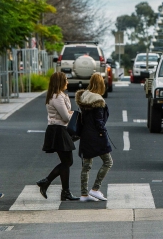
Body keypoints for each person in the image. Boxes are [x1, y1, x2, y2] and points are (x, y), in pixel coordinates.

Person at [36, 72, 79, 201]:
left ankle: (65, 191)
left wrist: (69, 112)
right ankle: (47, 181)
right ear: (60, 81)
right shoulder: (57, 97)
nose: (68, 82)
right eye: (66, 80)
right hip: (58, 130)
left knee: (66, 162)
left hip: (58, 129)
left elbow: (65, 114)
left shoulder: (57, 95)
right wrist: (74, 115)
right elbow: (65, 117)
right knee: (67, 161)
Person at [76, 73, 113, 202]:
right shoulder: (98, 100)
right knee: (108, 162)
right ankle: (95, 189)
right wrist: (103, 132)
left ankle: (84, 194)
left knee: (86, 166)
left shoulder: (84, 96)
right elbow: (99, 121)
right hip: (97, 136)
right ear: (101, 84)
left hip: (85, 135)